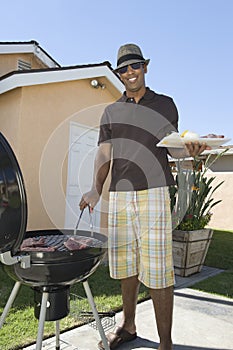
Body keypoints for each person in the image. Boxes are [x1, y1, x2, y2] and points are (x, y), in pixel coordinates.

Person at [79, 43, 209, 350]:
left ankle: (165, 343)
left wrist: (189, 151)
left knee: (159, 269)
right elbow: (104, 155)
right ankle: (128, 325)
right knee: (126, 265)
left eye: (134, 66)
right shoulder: (111, 111)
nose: (129, 73)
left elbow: (173, 147)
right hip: (120, 195)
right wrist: (96, 189)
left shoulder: (165, 104)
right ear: (119, 74)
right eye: (123, 69)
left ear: (145, 67)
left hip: (153, 192)